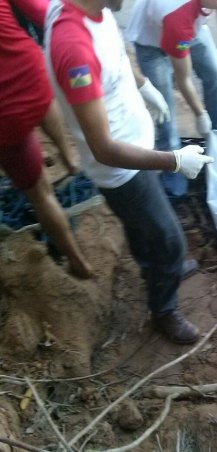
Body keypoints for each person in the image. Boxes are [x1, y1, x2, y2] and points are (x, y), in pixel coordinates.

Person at [44, 0, 214, 344]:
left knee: (142, 224)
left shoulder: (98, 11)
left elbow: (116, 56)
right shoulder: (73, 48)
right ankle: (164, 311)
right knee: (170, 241)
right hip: (121, 170)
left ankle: (152, 268)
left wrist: (143, 86)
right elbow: (103, 148)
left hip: (139, 152)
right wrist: (174, 161)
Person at [125, 0, 217, 199]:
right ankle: (174, 171)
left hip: (188, 24)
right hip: (151, 41)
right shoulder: (178, 16)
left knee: (215, 74)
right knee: (164, 108)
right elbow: (183, 79)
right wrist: (199, 114)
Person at [0, 0, 93, 279]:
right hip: (31, 72)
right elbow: (45, 11)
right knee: (41, 100)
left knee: (40, 195)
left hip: (5, 113)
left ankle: (78, 263)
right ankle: (71, 160)